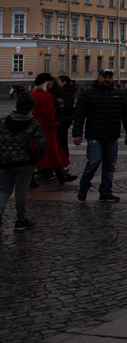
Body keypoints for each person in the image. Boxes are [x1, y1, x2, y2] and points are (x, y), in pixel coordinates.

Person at [73, 68, 127, 202]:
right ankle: (84, 186)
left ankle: (105, 192)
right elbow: (79, 115)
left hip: (112, 135)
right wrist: (77, 134)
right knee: (93, 162)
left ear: (113, 79)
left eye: (109, 77)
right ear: (98, 78)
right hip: (94, 135)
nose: (107, 79)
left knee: (110, 164)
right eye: (104, 77)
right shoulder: (88, 94)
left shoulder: (119, 95)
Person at [0, 92, 47, 231]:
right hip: (25, 163)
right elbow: (41, 144)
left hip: (4, 162)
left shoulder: (3, 121)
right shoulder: (33, 124)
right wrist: (36, 159)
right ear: (31, 108)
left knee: (3, 190)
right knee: (21, 192)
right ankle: (21, 220)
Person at [31, 73, 72, 184]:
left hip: (33, 127)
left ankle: (31, 180)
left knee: (34, 152)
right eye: (50, 82)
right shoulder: (46, 96)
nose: (52, 84)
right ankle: (62, 177)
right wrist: (54, 123)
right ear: (46, 83)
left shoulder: (32, 94)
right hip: (46, 128)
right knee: (52, 153)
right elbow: (49, 114)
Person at [54, 75, 76, 163]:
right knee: (62, 140)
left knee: (62, 141)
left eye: (59, 81)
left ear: (64, 82)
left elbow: (67, 108)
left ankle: (64, 160)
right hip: (66, 119)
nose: (58, 83)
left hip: (64, 119)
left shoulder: (65, 93)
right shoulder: (67, 92)